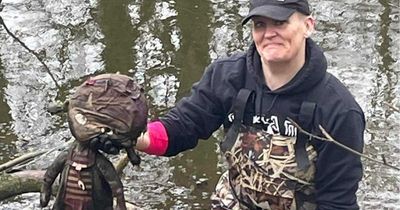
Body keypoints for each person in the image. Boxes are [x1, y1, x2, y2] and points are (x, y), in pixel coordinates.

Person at [95, 0, 365, 209]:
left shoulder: (339, 110)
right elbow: (181, 127)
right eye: (260, 24)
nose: (268, 33)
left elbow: (337, 202)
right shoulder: (228, 76)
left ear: (308, 26)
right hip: (232, 202)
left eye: (279, 23)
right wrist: (127, 135)